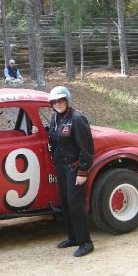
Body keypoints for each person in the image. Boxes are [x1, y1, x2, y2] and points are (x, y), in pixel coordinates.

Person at [48, 86, 95, 257]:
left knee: (76, 205)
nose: (57, 103)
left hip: (75, 168)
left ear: (67, 100)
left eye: (61, 100)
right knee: (66, 204)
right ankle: (73, 237)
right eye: (54, 101)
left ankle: (86, 242)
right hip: (61, 168)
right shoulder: (55, 119)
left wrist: (82, 172)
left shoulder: (77, 119)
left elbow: (87, 148)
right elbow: (55, 136)